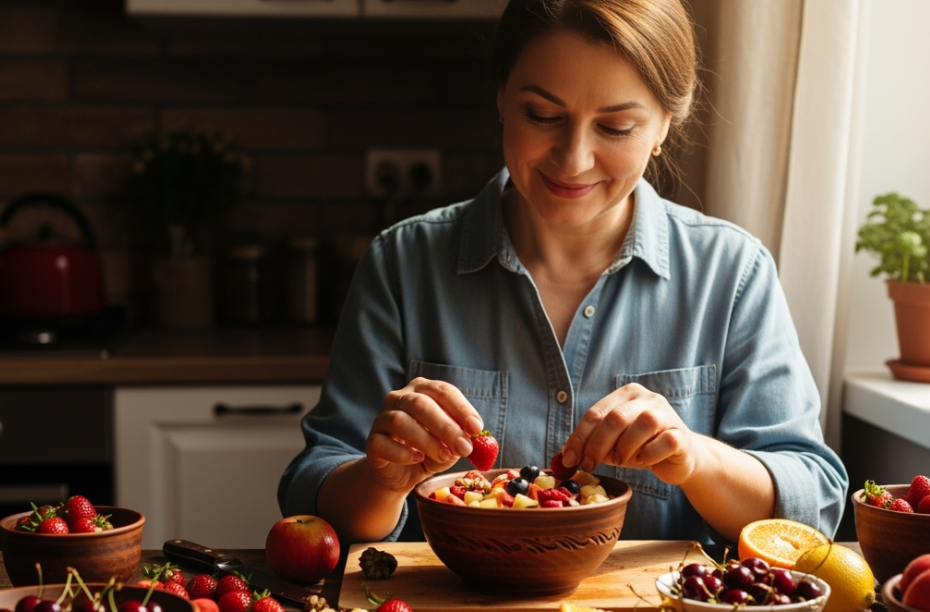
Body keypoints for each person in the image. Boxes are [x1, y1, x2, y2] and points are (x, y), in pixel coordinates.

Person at [279, 0, 847, 545]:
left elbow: (812, 503)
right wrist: (379, 481)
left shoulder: (733, 274)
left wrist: (694, 459)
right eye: (542, 115)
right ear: (501, 98)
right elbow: (312, 494)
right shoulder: (402, 264)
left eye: (616, 127)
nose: (573, 159)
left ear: (664, 127)